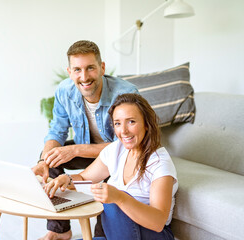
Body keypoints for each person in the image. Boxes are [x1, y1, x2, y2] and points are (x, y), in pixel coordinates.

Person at [32, 40, 138, 240]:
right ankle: (59, 230)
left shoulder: (126, 94)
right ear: (70, 72)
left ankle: (101, 235)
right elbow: (57, 130)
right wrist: (43, 162)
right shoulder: (65, 91)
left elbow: (127, 145)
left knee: (111, 174)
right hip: (88, 152)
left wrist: (75, 150)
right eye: (77, 70)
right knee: (50, 157)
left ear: (102, 68)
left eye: (90, 68)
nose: (84, 76)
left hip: (118, 157)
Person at [44, 93, 178, 240]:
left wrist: (120, 198)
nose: (123, 131)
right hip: (116, 234)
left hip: (153, 235)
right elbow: (84, 177)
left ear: (146, 124)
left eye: (131, 122)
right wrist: (67, 179)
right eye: (117, 123)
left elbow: (158, 222)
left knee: (113, 203)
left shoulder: (159, 163)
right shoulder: (116, 150)